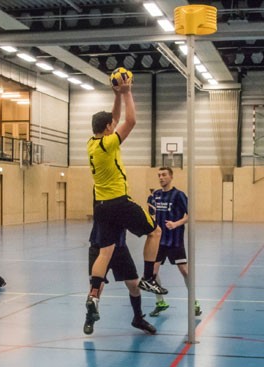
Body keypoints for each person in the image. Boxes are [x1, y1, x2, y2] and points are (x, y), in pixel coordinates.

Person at [85, 77, 165, 332]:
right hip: (120, 202)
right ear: (108, 128)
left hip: (102, 206)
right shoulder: (109, 144)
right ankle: (150, 278)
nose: (114, 125)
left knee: (105, 251)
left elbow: (116, 119)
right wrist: (128, 92)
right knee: (155, 231)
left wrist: (117, 95)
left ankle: (93, 295)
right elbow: (129, 121)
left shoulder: (92, 143)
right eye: (112, 124)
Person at [149, 167, 201, 317]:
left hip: (175, 240)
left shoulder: (179, 195)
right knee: (152, 273)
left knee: (184, 271)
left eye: (164, 175)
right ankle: (160, 302)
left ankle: (194, 301)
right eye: (159, 175)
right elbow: (153, 214)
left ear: (171, 177)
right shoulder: (156, 195)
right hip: (159, 240)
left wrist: (176, 224)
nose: (161, 178)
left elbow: (190, 215)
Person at [85, 226, 156, 335]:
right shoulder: (101, 209)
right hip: (99, 247)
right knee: (96, 287)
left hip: (119, 248)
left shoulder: (125, 209)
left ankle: (138, 318)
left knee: (134, 285)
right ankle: (90, 318)